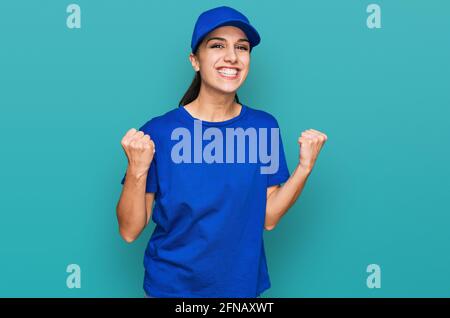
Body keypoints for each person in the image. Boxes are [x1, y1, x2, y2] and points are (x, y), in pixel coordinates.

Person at [116, 6, 328, 298]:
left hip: (239, 290)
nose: (232, 56)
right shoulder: (158, 132)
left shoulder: (263, 127)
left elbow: (269, 217)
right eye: (217, 45)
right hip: (170, 289)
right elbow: (129, 231)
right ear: (195, 60)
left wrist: (304, 168)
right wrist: (136, 170)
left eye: (241, 48)